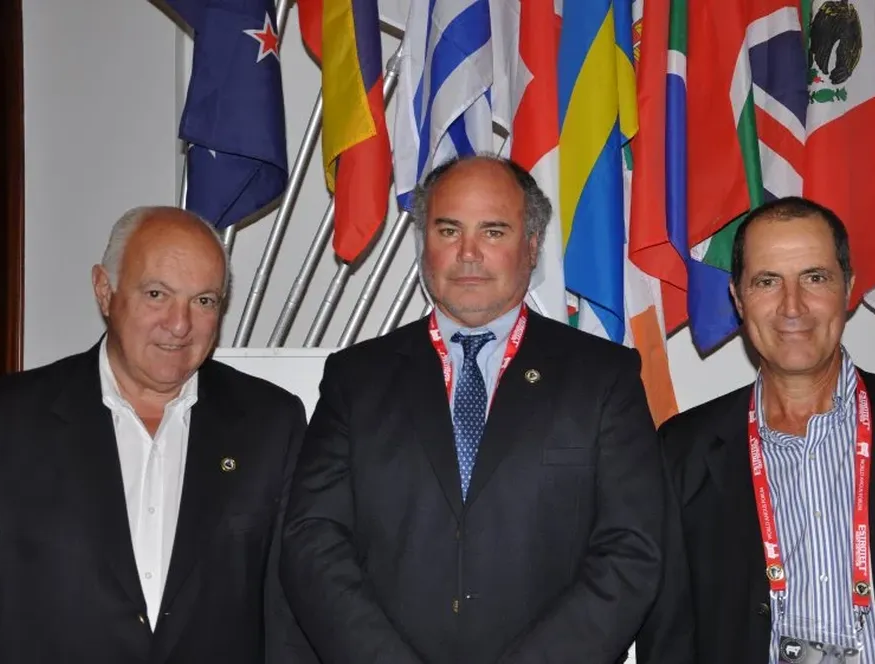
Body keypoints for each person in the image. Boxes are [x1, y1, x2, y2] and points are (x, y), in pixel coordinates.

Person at [281, 155, 679, 663]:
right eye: (448, 230)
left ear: (531, 246)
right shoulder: (355, 379)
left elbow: (632, 549)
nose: (468, 253)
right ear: (424, 244)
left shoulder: (603, 377)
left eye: (493, 232)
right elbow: (313, 541)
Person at [637, 196, 875, 663]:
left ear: (848, 288)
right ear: (738, 300)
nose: (792, 306)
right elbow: (669, 636)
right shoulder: (682, 449)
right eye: (767, 282)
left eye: (815, 277)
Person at [0, 207, 317, 663]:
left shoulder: (271, 423)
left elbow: (287, 612)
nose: (180, 325)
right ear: (105, 291)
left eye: (204, 301)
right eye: (157, 294)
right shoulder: (6, 419)